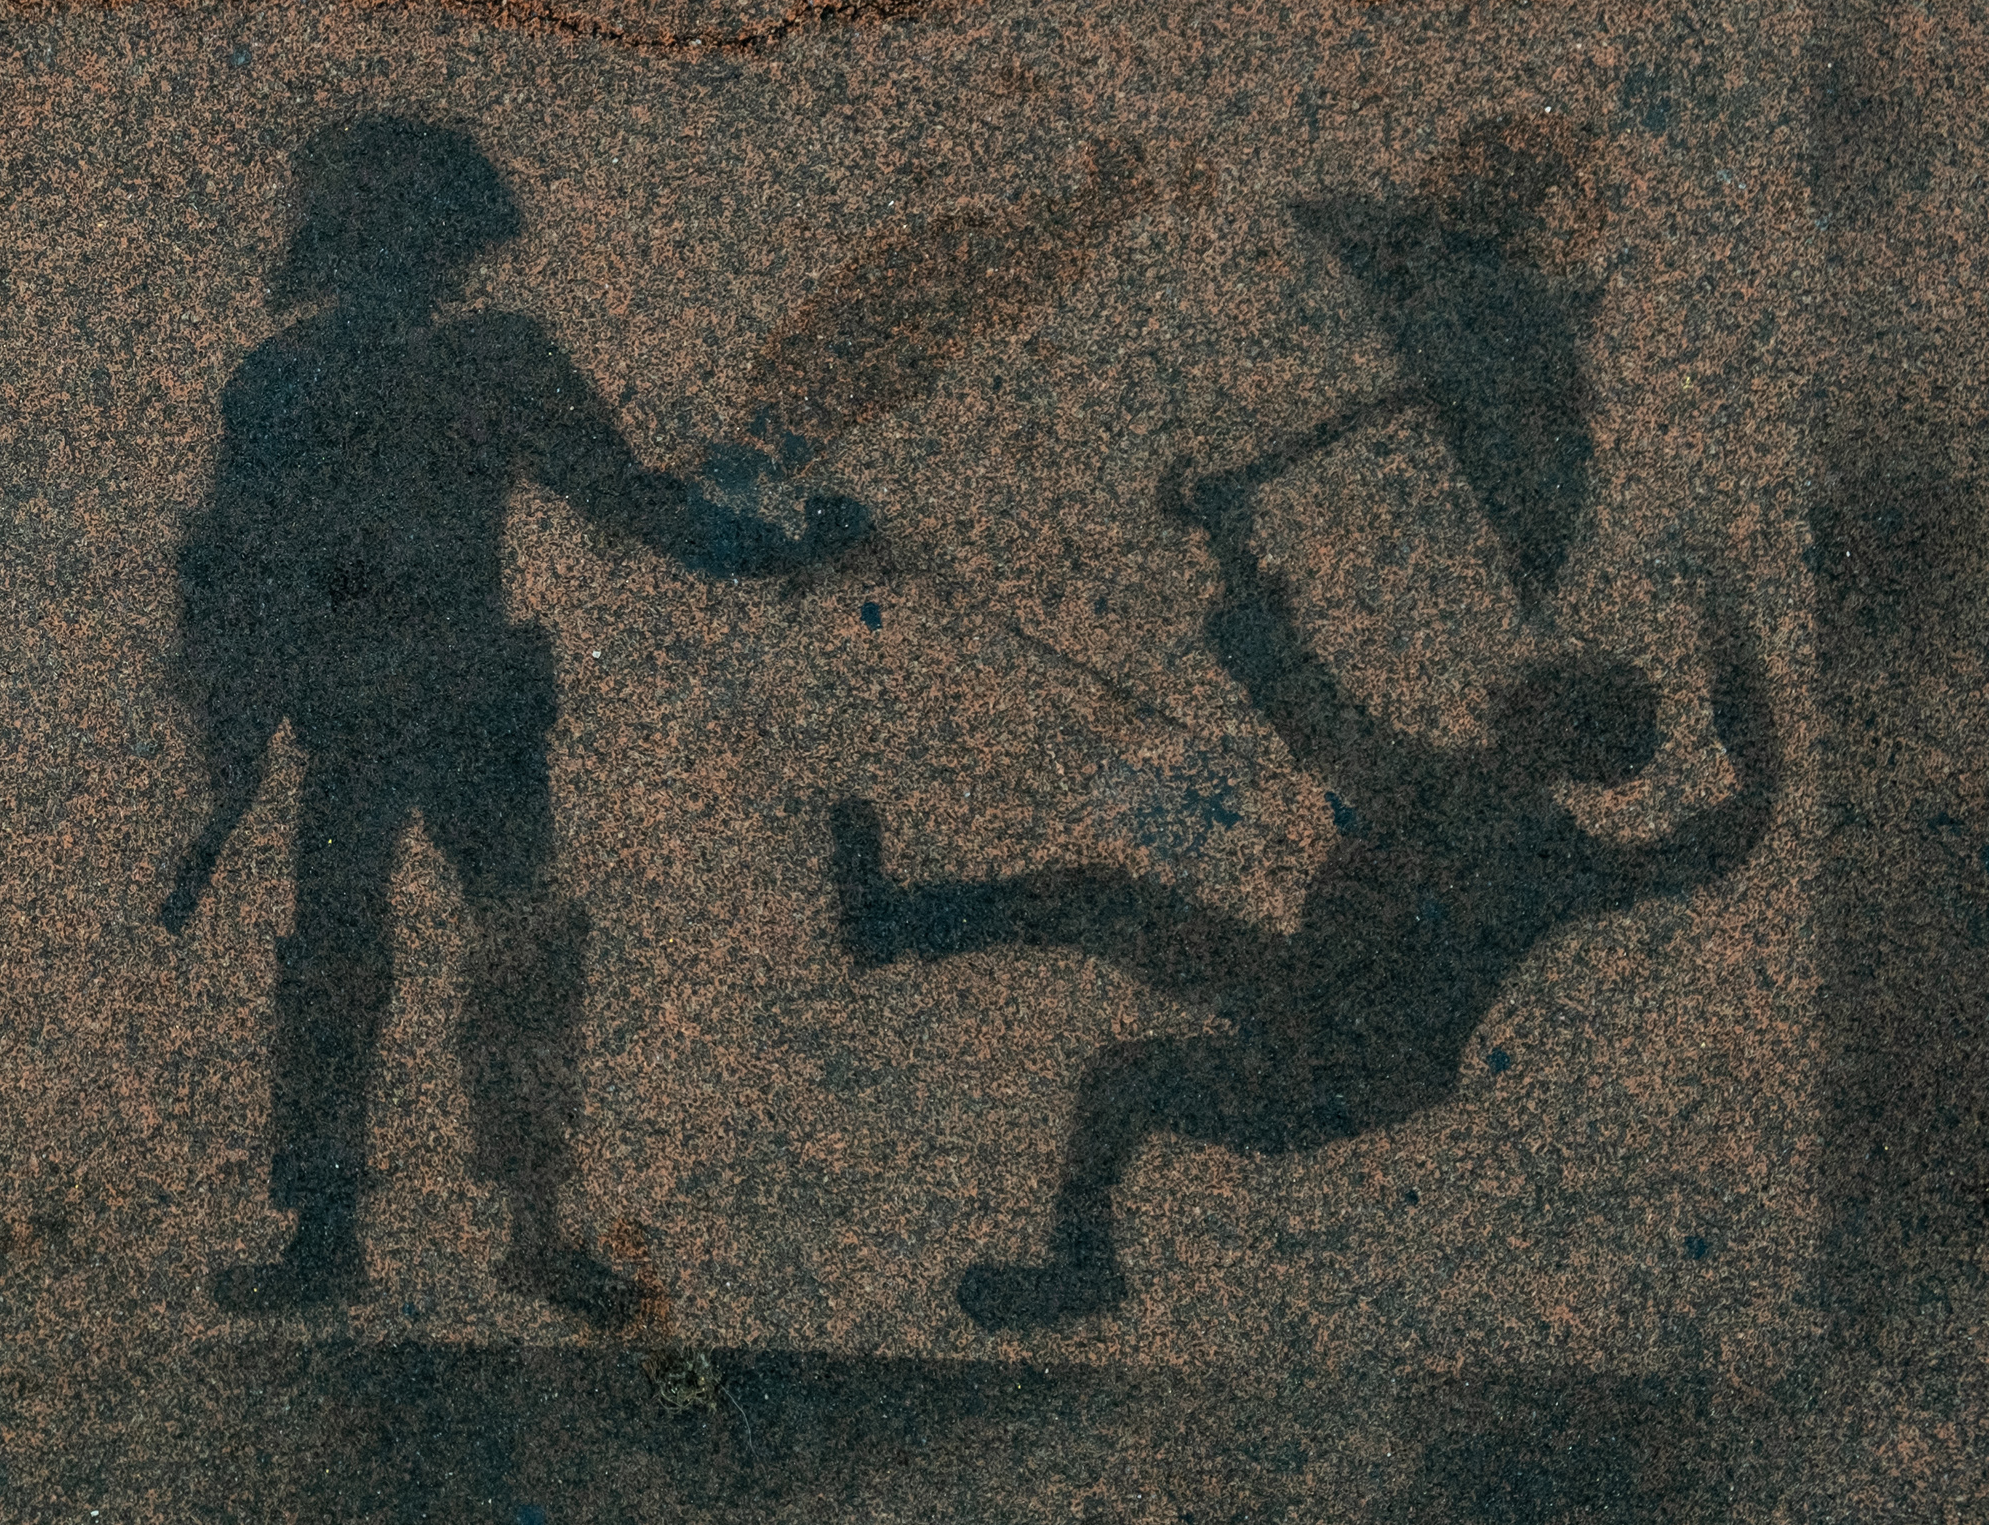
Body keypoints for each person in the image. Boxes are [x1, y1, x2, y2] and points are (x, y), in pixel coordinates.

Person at [829, 410, 1781, 1328]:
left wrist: (1732, 634)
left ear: (1552, 726)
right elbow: (1299, 692)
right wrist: (1229, 543)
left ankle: (1081, 1265)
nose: (1519, 695)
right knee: (1099, 914)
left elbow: (1730, 826)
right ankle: (894, 928)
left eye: (1547, 696)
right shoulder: (1455, 800)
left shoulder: (1534, 852)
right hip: (1307, 1001)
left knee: (1126, 1070)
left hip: (1347, 1063)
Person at [165, 116, 870, 1319]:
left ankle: (442, 1229)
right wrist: (787, 551)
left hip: (427, 704)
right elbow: (240, 568)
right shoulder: (389, 368)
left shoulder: (335, 369)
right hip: (411, 706)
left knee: (470, 952)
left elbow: (627, 500)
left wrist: (781, 551)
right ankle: (418, 1229)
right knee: (395, 955)